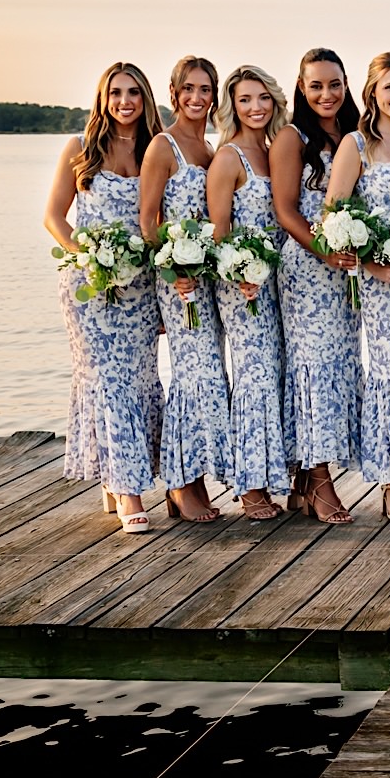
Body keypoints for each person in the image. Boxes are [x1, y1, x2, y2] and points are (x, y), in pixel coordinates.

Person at [44, 62, 165, 534]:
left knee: (138, 379)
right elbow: (54, 217)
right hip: (90, 288)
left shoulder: (156, 149)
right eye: (115, 92)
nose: (124, 101)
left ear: (145, 98)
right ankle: (128, 489)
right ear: (102, 98)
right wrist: (89, 260)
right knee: (109, 380)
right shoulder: (80, 147)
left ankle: (116, 479)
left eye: (133, 92)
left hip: (141, 287)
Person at [324, 51, 390, 523]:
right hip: (381, 283)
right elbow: (333, 215)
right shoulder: (357, 144)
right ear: (372, 93)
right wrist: (373, 265)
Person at [272, 49, 361, 524]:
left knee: (338, 367)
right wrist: (325, 250)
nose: (327, 94)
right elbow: (285, 210)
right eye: (316, 85)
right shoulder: (293, 137)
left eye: (334, 84)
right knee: (312, 369)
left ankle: (304, 483)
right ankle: (322, 480)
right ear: (302, 88)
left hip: (347, 270)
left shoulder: (354, 133)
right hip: (307, 268)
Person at [137, 55, 228, 522]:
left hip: (210, 280)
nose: (197, 97)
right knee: (193, 376)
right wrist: (174, 272)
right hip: (179, 286)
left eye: (205, 89)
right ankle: (179, 483)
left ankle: (196, 478)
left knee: (209, 377)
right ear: (174, 94)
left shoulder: (210, 149)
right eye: (189, 89)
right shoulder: (163, 146)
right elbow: (148, 222)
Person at [206, 65, 294, 520]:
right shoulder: (228, 158)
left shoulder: (273, 150)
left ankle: (275, 475)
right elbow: (217, 232)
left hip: (280, 282)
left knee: (274, 375)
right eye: (245, 99)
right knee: (254, 378)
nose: (255, 107)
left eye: (262, 98)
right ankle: (251, 486)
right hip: (242, 289)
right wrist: (238, 273)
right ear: (232, 106)